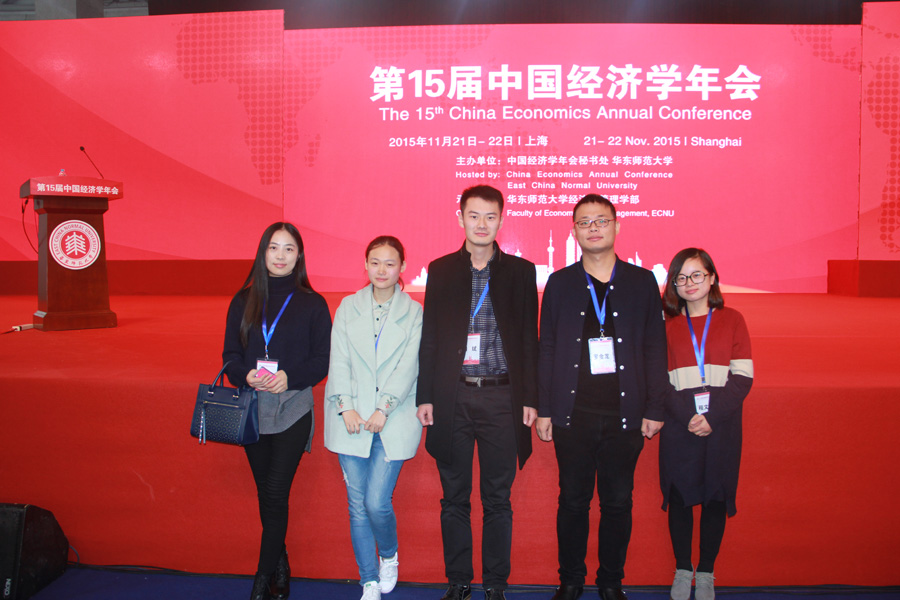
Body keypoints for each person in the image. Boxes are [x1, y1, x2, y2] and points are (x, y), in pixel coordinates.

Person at [536, 194, 668, 600]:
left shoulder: (642, 282)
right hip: (572, 414)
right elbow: (547, 347)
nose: (593, 228)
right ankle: (570, 580)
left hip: (624, 415)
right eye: (584, 222)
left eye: (601, 220)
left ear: (617, 226)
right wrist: (545, 408)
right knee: (573, 502)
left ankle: (611, 582)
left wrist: (655, 407)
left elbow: (655, 347)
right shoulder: (560, 283)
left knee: (617, 503)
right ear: (574, 231)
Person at [416, 184, 539, 600]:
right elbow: (430, 338)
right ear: (460, 218)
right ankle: (458, 581)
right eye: (474, 215)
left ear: (502, 220)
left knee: (497, 498)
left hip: (502, 398)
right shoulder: (441, 270)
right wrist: (425, 396)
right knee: (454, 497)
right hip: (452, 396)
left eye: (490, 216)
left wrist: (530, 399)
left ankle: (495, 583)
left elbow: (529, 340)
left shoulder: (521, 272)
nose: (482, 224)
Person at [222, 222, 332, 600]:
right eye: (273, 248)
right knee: (266, 495)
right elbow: (230, 356)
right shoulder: (244, 300)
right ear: (263, 253)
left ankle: (261, 580)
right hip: (253, 409)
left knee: (274, 491)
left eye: (289, 249)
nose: (281, 256)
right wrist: (244, 374)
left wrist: (290, 377)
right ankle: (281, 564)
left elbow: (322, 360)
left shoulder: (313, 303)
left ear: (299, 256)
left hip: (292, 407)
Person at [324, 236, 424, 600]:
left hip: (393, 418)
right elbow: (339, 359)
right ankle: (368, 579)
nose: (382, 270)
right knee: (356, 505)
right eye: (375, 262)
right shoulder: (347, 307)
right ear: (365, 265)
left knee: (376, 502)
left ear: (402, 268)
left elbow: (409, 366)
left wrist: (384, 408)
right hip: (350, 418)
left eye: (390, 263)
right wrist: (346, 406)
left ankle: (389, 556)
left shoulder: (415, 312)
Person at [659, 248, 753, 600]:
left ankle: (707, 572)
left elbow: (742, 377)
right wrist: (688, 416)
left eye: (697, 275)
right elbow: (659, 381)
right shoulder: (666, 326)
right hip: (679, 423)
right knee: (680, 497)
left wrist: (711, 418)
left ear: (712, 277)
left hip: (721, 424)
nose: (689, 283)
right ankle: (683, 569)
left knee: (715, 495)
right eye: (681, 277)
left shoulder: (733, 319)